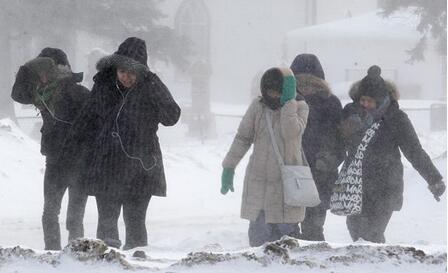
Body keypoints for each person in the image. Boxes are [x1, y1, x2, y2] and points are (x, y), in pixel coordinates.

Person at [62, 37, 181, 250]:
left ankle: (136, 261)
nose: (126, 77)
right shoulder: (103, 86)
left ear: (141, 71)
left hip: (141, 168)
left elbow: (171, 116)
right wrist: (70, 151)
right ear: (115, 68)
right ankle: (107, 264)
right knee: (107, 225)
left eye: (132, 73)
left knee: (135, 223)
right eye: (122, 71)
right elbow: (85, 121)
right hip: (107, 165)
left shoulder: (149, 86)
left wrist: (153, 84)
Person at [338, 65, 446, 243]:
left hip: (385, 185)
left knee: (372, 233)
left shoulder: (396, 119)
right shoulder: (351, 115)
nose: (365, 104)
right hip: (356, 186)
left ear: (381, 100)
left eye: (370, 101)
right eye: (362, 100)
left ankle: (376, 267)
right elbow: (338, 144)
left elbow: (414, 151)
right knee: (355, 230)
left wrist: (434, 179)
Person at [11, 48, 90, 250]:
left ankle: (69, 257)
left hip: (77, 162)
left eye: (45, 69)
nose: (41, 75)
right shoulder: (42, 93)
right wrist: (26, 68)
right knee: (55, 213)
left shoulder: (77, 92)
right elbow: (17, 94)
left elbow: (95, 122)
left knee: (69, 216)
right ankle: (57, 255)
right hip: (56, 161)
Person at [221, 67, 309, 247]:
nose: (273, 96)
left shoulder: (300, 107)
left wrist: (289, 104)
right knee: (258, 244)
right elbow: (243, 138)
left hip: (287, 186)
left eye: (278, 92)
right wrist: (229, 166)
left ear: (286, 91)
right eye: (269, 92)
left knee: (287, 246)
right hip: (259, 183)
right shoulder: (257, 107)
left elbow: (290, 132)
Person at [289, 54, 345, 241]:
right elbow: (339, 140)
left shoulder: (287, 101)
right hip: (319, 173)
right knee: (313, 228)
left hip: (292, 171)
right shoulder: (331, 102)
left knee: (289, 229)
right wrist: (328, 160)